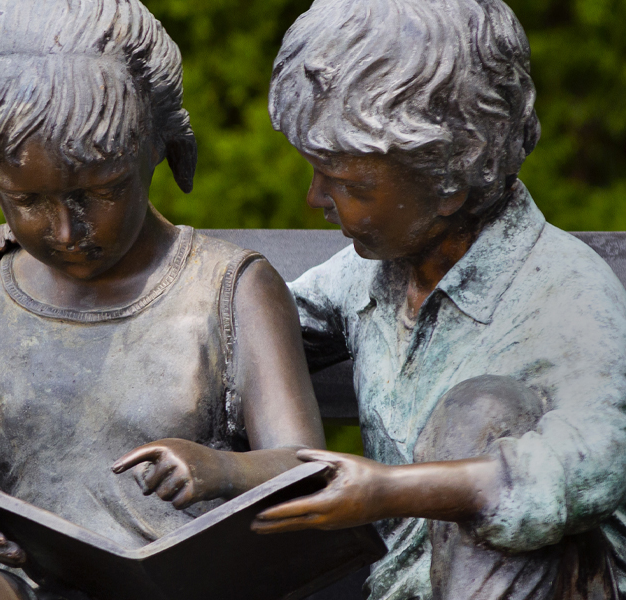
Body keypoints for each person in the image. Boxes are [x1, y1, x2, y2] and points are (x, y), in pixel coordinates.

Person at [0, 1, 325, 599]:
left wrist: (227, 470)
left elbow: (309, 470)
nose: (68, 232)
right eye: (27, 202)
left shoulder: (229, 289)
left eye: (102, 192)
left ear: (159, 146)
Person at [251, 0, 626, 598]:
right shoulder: (368, 275)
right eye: (318, 173)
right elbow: (257, 323)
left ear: (450, 177)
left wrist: (390, 490)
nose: (314, 198)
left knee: (481, 412)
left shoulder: (566, 293)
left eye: (348, 184)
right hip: (390, 587)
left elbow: (598, 462)